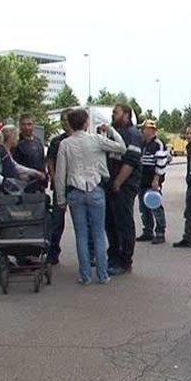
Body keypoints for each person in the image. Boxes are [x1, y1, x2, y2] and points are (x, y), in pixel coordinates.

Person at [55, 109, 126, 285]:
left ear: (70, 124)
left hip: (75, 191)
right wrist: (110, 130)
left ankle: (85, 275)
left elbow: (59, 174)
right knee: (98, 233)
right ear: (86, 123)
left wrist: (60, 199)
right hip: (95, 188)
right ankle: (102, 275)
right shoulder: (96, 139)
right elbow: (121, 147)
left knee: (81, 234)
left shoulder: (65, 144)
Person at [0, 125, 46, 264]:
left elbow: (16, 167)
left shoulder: (6, 151)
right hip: (0, 194)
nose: (18, 137)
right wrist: (4, 181)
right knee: (1, 223)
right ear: (10, 137)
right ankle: (2, 256)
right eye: (16, 135)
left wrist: (34, 172)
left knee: (10, 222)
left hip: (7, 194)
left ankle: (16, 254)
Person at [106, 104, 143, 276]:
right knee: (111, 223)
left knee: (123, 223)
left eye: (116, 112)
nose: (113, 115)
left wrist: (118, 182)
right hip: (111, 185)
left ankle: (125, 260)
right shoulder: (114, 133)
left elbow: (131, 162)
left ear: (127, 115)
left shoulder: (133, 134)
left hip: (124, 186)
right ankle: (113, 256)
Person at [45, 109, 72, 265]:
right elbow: (50, 161)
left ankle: (91, 254)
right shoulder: (56, 141)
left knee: (82, 222)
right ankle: (53, 252)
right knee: (57, 221)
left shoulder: (81, 139)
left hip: (75, 185)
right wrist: (55, 179)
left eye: (67, 120)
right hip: (60, 186)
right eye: (62, 120)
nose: (64, 123)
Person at [136, 120, 168, 244]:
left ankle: (160, 232)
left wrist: (156, 179)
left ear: (150, 130)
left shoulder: (158, 144)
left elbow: (161, 164)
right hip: (142, 180)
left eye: (143, 129)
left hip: (153, 181)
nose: (141, 131)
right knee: (143, 207)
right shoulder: (143, 144)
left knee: (155, 206)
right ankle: (147, 231)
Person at [13, 113, 47, 193]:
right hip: (23, 185)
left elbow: (42, 162)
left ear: (34, 125)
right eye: (24, 124)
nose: (26, 127)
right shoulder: (15, 143)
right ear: (20, 125)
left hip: (39, 184)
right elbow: (13, 165)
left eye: (29, 124)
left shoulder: (38, 142)